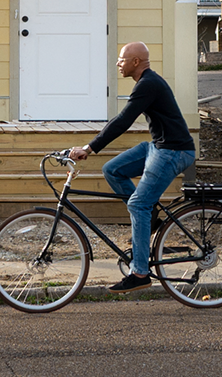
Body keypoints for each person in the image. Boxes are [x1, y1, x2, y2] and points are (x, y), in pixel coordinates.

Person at [67, 41, 196, 294]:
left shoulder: (148, 84)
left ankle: (140, 273)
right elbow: (122, 119)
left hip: (173, 151)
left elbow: (123, 120)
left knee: (138, 203)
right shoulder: (146, 82)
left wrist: (90, 147)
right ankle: (148, 219)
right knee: (113, 170)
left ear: (136, 62)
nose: (118, 63)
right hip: (159, 147)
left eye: (122, 59)